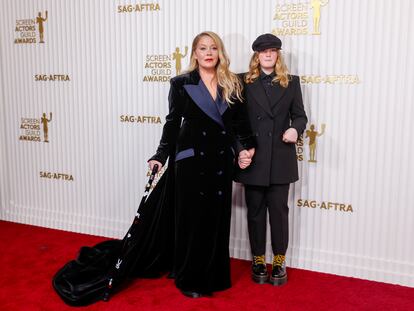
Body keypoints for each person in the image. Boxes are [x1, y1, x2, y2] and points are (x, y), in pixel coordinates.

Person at [148, 31, 256, 298]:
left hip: (220, 158)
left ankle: (215, 276)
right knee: (192, 220)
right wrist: (160, 156)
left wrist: (245, 149)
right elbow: (172, 123)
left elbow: (239, 125)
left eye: (214, 48)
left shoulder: (233, 82)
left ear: (220, 53)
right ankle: (190, 277)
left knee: (216, 219)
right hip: (190, 160)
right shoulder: (181, 83)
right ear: (194, 53)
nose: (209, 53)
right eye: (203, 48)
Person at [235, 33, 307, 286]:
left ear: (278, 54)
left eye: (273, 50)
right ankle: (257, 259)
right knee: (255, 213)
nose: (268, 54)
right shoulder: (241, 81)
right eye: (263, 51)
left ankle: (278, 260)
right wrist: (241, 150)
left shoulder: (292, 82)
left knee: (279, 212)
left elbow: (300, 116)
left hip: (280, 158)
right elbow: (235, 121)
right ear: (257, 55)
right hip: (253, 157)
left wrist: (295, 129)